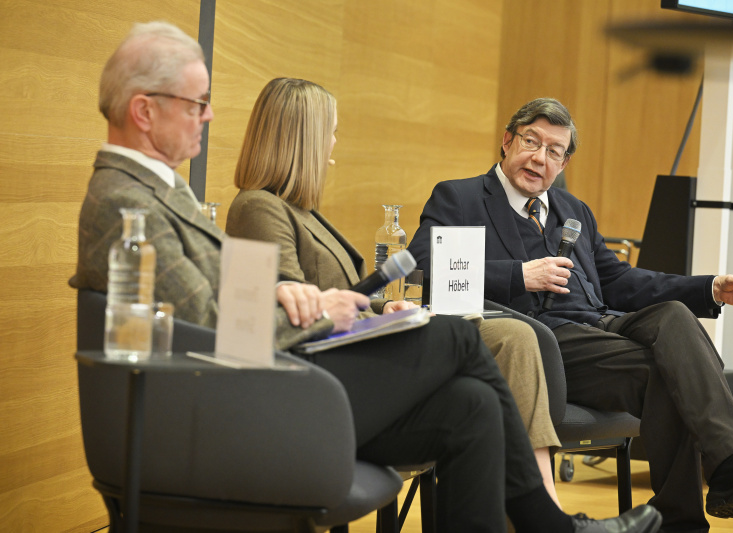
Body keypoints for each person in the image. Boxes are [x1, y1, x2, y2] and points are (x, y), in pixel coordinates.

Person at [70, 26, 661, 533]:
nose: (209, 114)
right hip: (269, 394)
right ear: (145, 110)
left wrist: (284, 290)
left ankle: (545, 523)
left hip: (280, 378)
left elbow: (216, 302)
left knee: (473, 402)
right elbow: (220, 327)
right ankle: (549, 525)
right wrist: (322, 305)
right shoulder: (130, 203)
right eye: (196, 102)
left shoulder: (158, 194)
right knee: (457, 338)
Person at [407, 97, 733, 532]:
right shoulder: (460, 197)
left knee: (672, 314)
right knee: (669, 377)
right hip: (541, 343)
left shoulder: (574, 211)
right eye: (530, 141)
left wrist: (710, 288)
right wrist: (520, 276)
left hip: (602, 326)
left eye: (554, 151)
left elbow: (622, 282)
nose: (539, 157)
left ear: (564, 163)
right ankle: (692, 514)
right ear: (506, 141)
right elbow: (425, 266)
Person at [225, 76, 565, 508]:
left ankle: (536, 504)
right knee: (491, 341)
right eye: (330, 132)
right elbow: (296, 309)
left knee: (503, 356)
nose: (333, 144)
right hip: (332, 371)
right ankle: (541, 507)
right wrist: (378, 318)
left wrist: (389, 306)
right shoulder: (257, 207)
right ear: (305, 140)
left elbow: (344, 292)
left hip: (366, 345)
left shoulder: (299, 211)